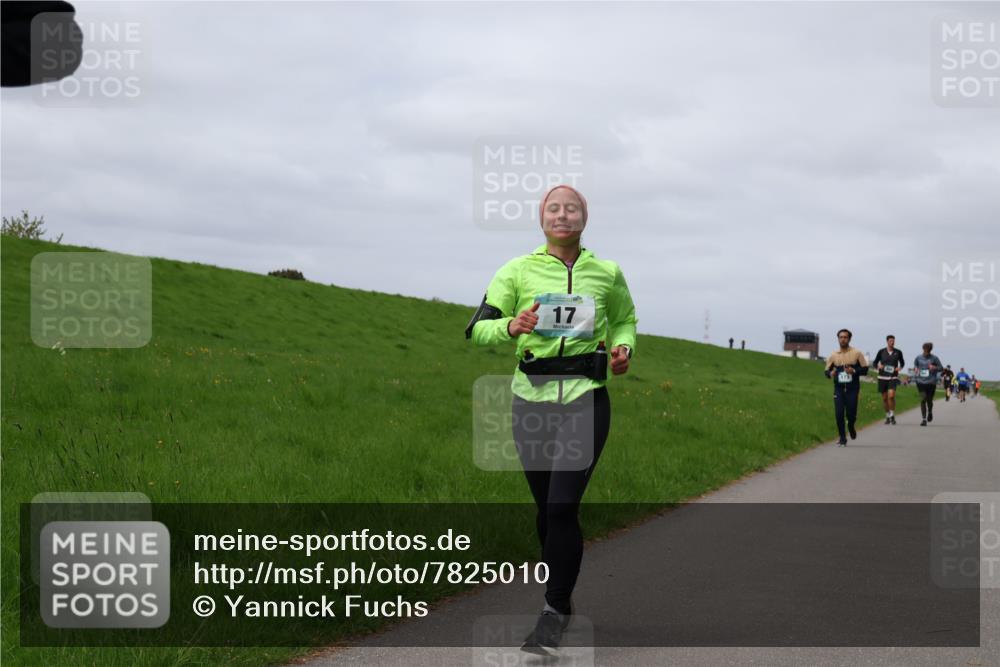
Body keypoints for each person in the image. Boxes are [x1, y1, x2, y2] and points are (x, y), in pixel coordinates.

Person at [466, 184, 637, 656]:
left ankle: (554, 608)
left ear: (585, 217)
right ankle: (560, 591)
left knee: (562, 506)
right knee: (546, 510)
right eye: (554, 208)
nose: (563, 214)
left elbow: (624, 320)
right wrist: (510, 326)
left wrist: (624, 349)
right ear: (542, 218)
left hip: (587, 398)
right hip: (532, 401)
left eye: (573, 207)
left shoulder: (607, 272)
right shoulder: (517, 270)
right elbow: (476, 329)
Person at [823, 329, 869, 446]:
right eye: (841, 337)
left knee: (851, 414)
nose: (843, 339)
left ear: (849, 339)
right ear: (838, 339)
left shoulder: (857, 353)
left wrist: (853, 370)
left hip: (852, 388)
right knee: (839, 414)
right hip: (838, 388)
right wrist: (830, 374)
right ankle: (842, 438)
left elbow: (865, 369)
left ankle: (851, 425)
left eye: (845, 337)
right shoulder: (833, 355)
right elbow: (826, 371)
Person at [872, 335, 905, 425]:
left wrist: (899, 368)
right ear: (887, 341)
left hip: (893, 377)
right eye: (890, 341)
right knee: (884, 398)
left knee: (891, 396)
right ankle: (887, 415)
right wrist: (878, 366)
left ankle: (892, 415)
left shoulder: (898, 352)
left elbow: (902, 363)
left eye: (893, 341)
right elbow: (875, 363)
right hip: (882, 377)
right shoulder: (881, 351)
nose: (892, 342)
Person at [913, 342, 944, 426]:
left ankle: (930, 412)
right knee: (923, 399)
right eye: (925, 350)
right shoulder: (918, 358)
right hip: (920, 382)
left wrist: (934, 367)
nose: (927, 352)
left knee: (929, 400)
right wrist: (915, 369)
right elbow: (915, 365)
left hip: (931, 382)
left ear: (930, 350)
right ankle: (924, 419)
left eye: (928, 350)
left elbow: (941, 368)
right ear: (923, 349)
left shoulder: (935, 358)